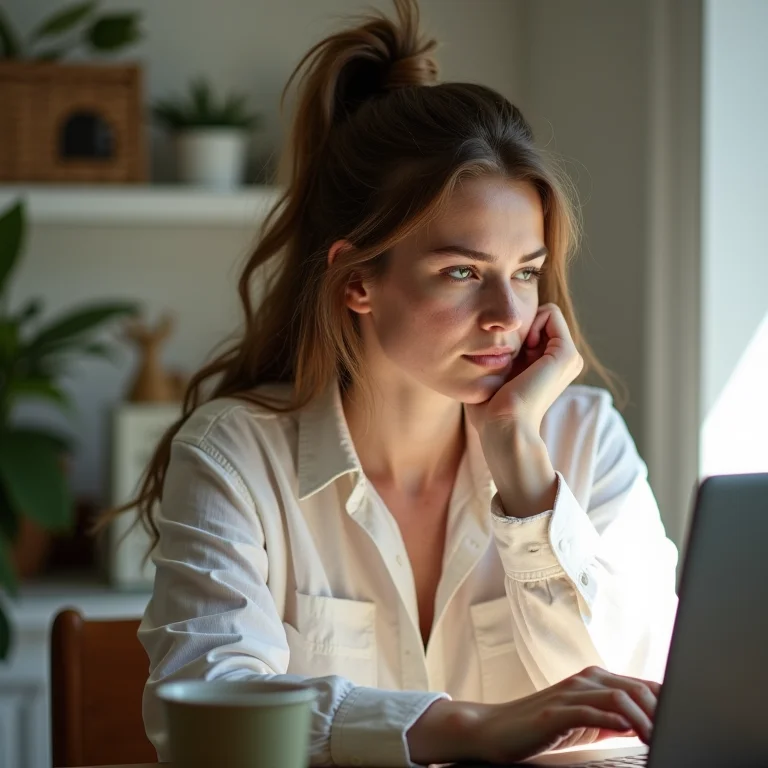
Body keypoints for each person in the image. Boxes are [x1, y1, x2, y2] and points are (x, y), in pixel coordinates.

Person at [108, 1, 679, 765]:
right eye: (461, 272)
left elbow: (640, 695)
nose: (507, 315)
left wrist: (520, 465)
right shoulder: (236, 453)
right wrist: (470, 726)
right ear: (358, 282)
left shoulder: (582, 435)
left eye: (527, 273)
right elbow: (205, 708)